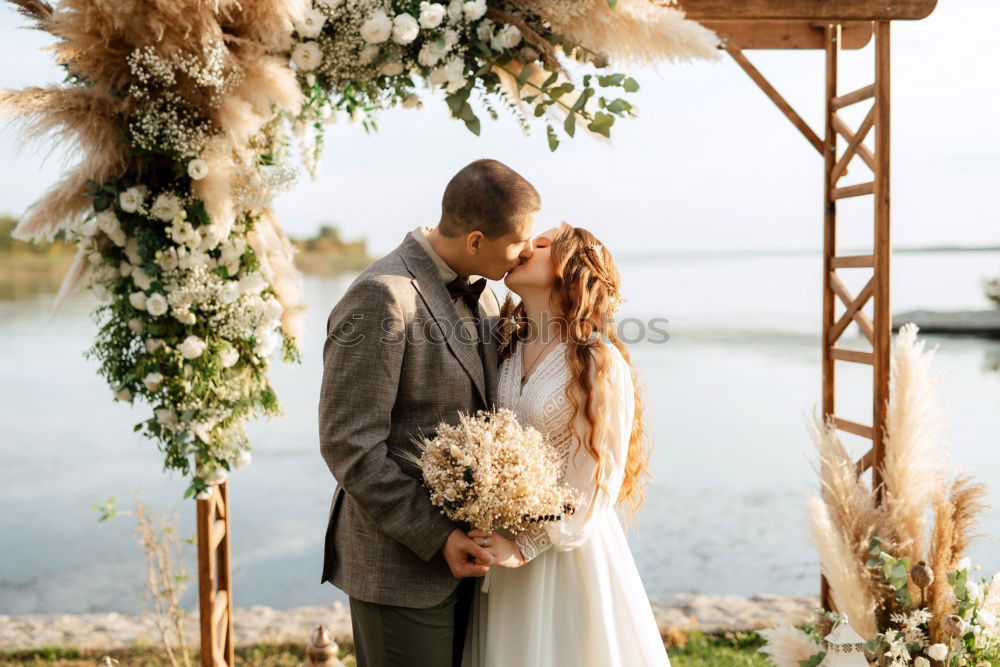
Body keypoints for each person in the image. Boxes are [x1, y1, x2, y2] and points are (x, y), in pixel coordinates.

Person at [318, 158, 539, 667]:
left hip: (475, 568)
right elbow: (349, 444)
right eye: (518, 242)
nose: (526, 252)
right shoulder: (382, 297)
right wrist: (437, 535)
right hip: (400, 566)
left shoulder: (483, 297)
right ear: (477, 241)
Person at [461, 222, 669, 666]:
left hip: (564, 550)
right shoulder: (506, 346)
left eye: (539, 245)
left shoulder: (598, 359)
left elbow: (597, 475)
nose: (522, 248)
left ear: (570, 269)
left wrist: (526, 544)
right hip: (499, 542)